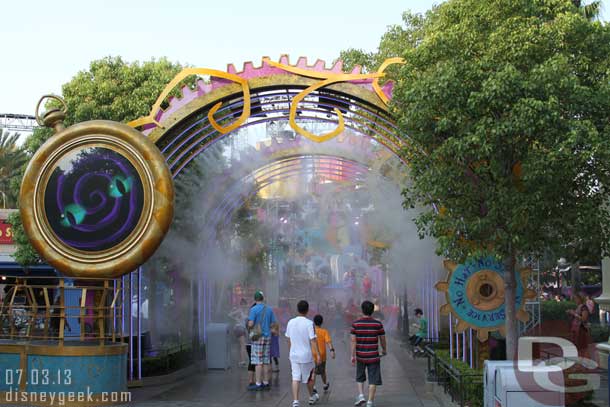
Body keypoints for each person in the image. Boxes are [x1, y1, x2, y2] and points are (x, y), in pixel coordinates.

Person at [285, 300, 321, 407]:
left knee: (295, 378)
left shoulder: (290, 322)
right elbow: (313, 341)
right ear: (307, 310)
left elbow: (288, 339)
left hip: (294, 355)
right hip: (306, 356)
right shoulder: (309, 323)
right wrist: (318, 354)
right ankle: (311, 397)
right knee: (309, 378)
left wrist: (290, 350)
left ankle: (295, 401)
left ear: (297, 309)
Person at [351, 300, 387, 407]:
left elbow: (353, 341)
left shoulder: (355, 324)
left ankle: (361, 395)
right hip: (373, 356)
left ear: (362, 310)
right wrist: (384, 350)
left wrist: (352, 355)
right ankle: (370, 402)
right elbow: (383, 339)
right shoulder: (378, 324)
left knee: (359, 377)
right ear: (372, 311)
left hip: (360, 355)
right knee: (373, 379)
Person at [247, 291, 277, 391]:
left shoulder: (253, 309)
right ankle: (266, 382)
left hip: (257, 338)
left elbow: (251, 324)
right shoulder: (269, 309)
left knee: (258, 361)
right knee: (266, 360)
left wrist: (248, 324)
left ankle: (258, 383)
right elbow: (273, 324)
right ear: (263, 298)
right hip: (267, 337)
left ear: (255, 299)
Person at [311, 314, 335, 393]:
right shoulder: (324, 331)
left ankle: (313, 386)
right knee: (322, 371)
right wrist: (332, 350)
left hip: (312, 354)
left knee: (313, 370)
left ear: (314, 322)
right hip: (321, 355)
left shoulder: (311, 331)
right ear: (322, 322)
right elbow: (328, 342)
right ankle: (324, 384)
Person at [228, 298, 249, 366]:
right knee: (243, 344)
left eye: (244, 304)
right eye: (242, 304)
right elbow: (229, 315)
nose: (244, 306)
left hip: (242, 329)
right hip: (239, 328)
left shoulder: (247, 311)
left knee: (239, 346)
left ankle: (240, 360)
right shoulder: (239, 311)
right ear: (241, 305)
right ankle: (243, 361)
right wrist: (236, 319)